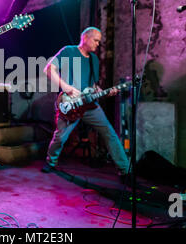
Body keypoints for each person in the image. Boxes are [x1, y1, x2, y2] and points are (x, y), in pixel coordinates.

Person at [41, 27, 131, 182]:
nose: (98, 44)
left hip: (90, 105)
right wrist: (65, 87)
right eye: (96, 40)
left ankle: (125, 171)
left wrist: (105, 92)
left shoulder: (94, 60)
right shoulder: (68, 51)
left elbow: (93, 85)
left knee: (109, 133)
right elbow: (48, 69)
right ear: (85, 38)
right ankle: (51, 161)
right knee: (60, 137)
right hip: (69, 104)